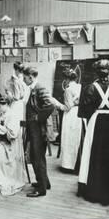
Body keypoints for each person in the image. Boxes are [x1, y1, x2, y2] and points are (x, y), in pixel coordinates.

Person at [77, 59, 109, 206]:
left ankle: (94, 188)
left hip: (96, 121)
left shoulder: (90, 88)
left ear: (97, 73)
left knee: (95, 152)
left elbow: (84, 111)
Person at [23, 66, 65, 198]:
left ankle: (41, 189)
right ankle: (44, 183)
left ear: (30, 77)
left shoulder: (39, 88)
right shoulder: (33, 88)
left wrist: (37, 118)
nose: (23, 80)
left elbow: (50, 105)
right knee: (37, 156)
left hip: (38, 129)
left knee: (37, 157)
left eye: (24, 77)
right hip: (34, 128)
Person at [59, 70, 84, 172]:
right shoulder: (80, 87)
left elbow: (68, 106)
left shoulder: (68, 89)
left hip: (71, 114)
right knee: (78, 137)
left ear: (67, 79)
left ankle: (69, 164)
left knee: (69, 138)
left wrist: (58, 106)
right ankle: (79, 163)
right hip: (80, 113)